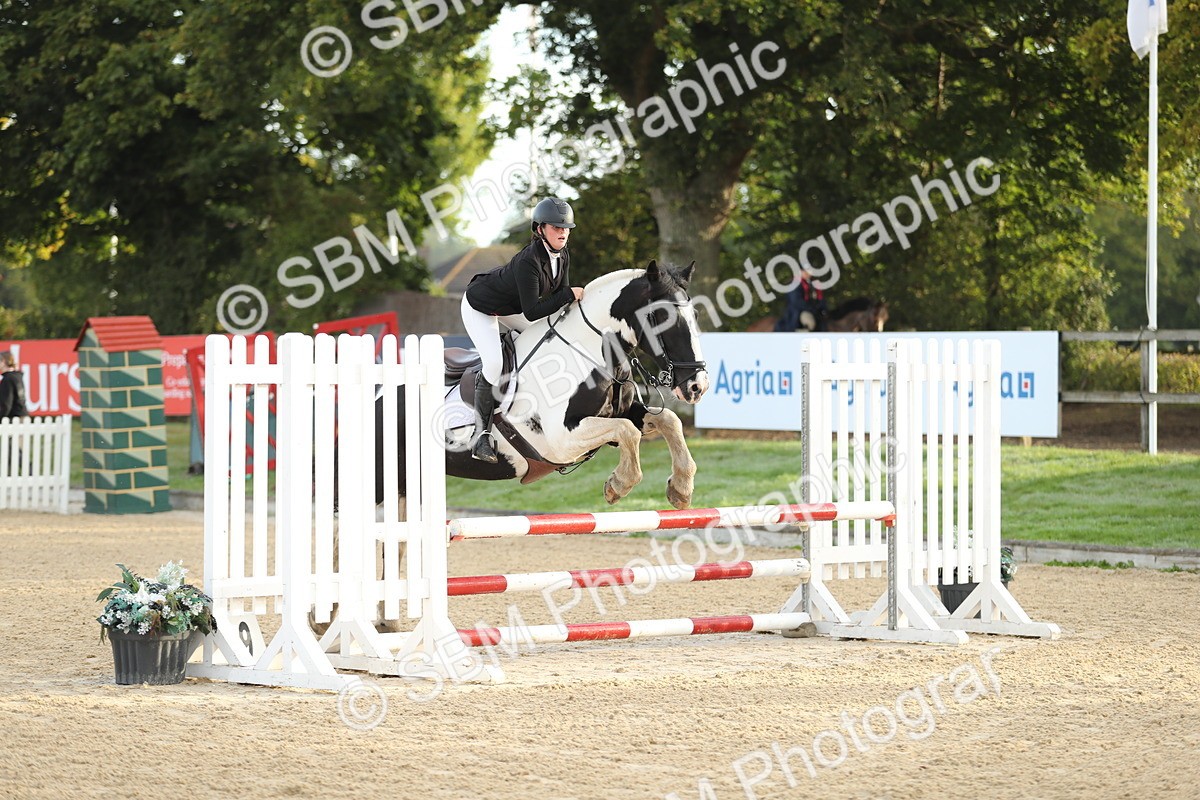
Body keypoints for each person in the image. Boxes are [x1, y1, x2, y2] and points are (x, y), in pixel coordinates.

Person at [460, 197, 585, 463]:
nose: (563, 232)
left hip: (510, 307)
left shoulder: (563, 255)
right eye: (556, 227)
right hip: (480, 306)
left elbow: (560, 298)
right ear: (540, 229)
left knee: (547, 340)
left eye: (566, 228)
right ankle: (480, 436)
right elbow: (533, 312)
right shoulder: (529, 260)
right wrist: (568, 296)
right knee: (494, 364)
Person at [0, 351, 28, 420]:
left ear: (3, 361)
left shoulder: (8, 379)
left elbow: (6, 404)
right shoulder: (17, 376)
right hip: (22, 416)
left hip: (14, 419)